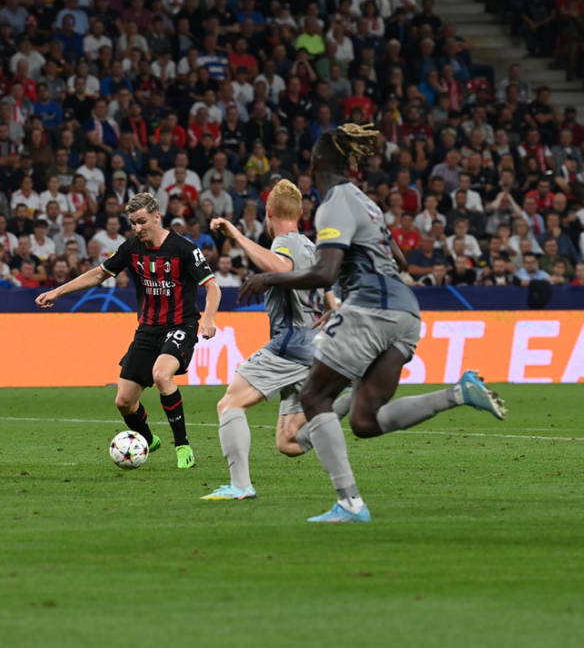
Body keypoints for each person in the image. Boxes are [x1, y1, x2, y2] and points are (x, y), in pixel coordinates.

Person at [239, 125, 507, 523]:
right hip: (405, 314)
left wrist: (269, 278)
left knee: (313, 398)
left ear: (316, 164)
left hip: (372, 311)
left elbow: (326, 272)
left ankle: (349, 503)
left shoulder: (332, 204)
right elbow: (396, 260)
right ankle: (458, 393)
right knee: (365, 420)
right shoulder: (367, 203)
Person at [36, 192, 221, 469]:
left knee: (161, 374)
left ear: (157, 216)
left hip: (181, 324)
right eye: (133, 223)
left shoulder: (184, 247)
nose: (138, 228)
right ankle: (147, 439)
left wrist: (208, 318)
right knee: (123, 402)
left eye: (142, 221)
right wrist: (59, 291)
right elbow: (99, 273)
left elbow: (212, 287)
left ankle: (182, 446)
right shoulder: (132, 248)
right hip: (147, 329)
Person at [202, 180, 341, 501]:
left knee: (229, 404)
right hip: (315, 348)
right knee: (289, 441)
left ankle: (240, 486)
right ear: (301, 212)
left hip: (290, 343)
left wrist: (237, 235)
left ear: (267, 213)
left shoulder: (286, 244)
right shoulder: (311, 245)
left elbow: (280, 267)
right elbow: (330, 290)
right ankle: (341, 404)